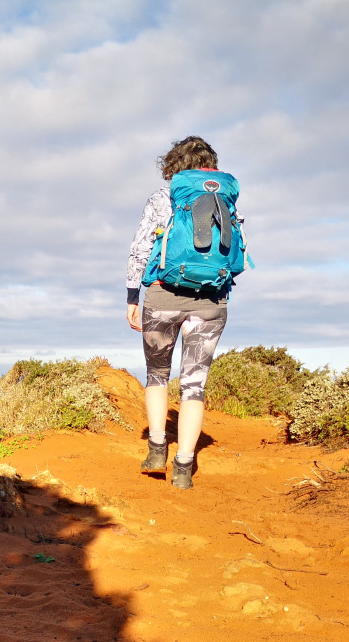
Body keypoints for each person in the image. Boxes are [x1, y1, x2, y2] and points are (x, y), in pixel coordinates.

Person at [125, 135, 234, 490]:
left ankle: (157, 450)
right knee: (194, 385)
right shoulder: (224, 199)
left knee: (157, 375)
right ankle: (183, 468)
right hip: (210, 301)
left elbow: (141, 248)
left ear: (172, 164)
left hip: (162, 296)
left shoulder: (161, 198)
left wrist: (131, 296)